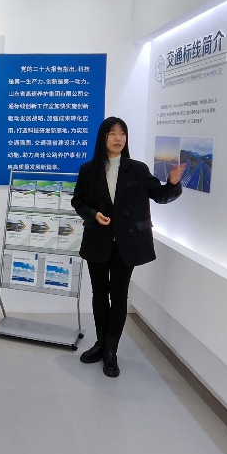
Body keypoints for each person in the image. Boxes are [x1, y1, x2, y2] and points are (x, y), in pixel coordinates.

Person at [71, 116, 184, 378]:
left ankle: (111, 350)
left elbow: (160, 196)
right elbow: (78, 202)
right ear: (103, 137)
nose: (118, 138)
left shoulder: (137, 169)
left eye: (122, 133)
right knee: (99, 294)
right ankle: (100, 343)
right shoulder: (89, 170)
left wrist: (173, 183)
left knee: (119, 295)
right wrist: (94, 214)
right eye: (112, 133)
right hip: (98, 242)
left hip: (127, 244)